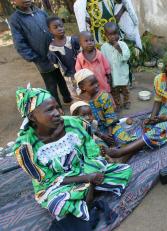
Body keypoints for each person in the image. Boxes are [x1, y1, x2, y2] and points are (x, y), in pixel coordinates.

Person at [13, 86, 132, 223]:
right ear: (32, 117)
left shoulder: (76, 124)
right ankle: (88, 190)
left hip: (84, 168)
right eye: (50, 110)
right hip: (59, 183)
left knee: (124, 171)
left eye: (58, 107)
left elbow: (92, 154)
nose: (58, 113)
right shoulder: (25, 148)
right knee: (57, 204)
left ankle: (82, 195)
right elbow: (48, 181)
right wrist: (87, 179)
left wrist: (90, 175)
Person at [104, 51, 167, 159]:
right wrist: (153, 118)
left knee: (159, 130)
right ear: (166, 68)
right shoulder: (159, 79)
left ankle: (121, 152)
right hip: (166, 108)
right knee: (147, 125)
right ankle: (129, 151)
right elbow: (158, 101)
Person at [9, 0, 72, 107]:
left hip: (56, 53)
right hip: (41, 58)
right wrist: (34, 57)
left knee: (62, 77)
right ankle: (56, 107)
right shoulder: (15, 19)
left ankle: (68, 98)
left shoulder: (40, 12)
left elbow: (52, 26)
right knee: (51, 84)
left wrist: (59, 43)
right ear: (13, 1)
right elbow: (19, 42)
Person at [75, 69, 135, 146]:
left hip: (110, 127)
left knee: (125, 141)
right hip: (95, 131)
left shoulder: (103, 97)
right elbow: (83, 123)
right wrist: (101, 136)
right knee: (100, 149)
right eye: (92, 84)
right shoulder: (81, 102)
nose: (96, 85)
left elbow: (110, 116)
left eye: (96, 82)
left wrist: (110, 135)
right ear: (82, 87)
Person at [73, 0, 142, 49]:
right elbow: (80, 13)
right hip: (97, 33)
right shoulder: (83, 2)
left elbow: (122, 2)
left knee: (118, 49)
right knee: (103, 53)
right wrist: (88, 20)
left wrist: (119, 14)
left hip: (113, 29)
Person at [47, 16, 81, 100]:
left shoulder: (73, 40)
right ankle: (80, 108)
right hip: (68, 76)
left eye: (61, 26)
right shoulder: (52, 48)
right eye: (55, 27)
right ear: (50, 30)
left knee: (85, 88)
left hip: (81, 71)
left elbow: (81, 53)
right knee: (74, 93)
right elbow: (56, 65)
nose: (59, 29)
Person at [101, 22, 131, 110]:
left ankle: (126, 101)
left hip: (122, 73)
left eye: (115, 33)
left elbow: (126, 57)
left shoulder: (123, 44)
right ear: (106, 35)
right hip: (112, 74)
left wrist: (119, 49)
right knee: (114, 91)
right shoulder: (104, 47)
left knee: (125, 89)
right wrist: (106, 74)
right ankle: (117, 104)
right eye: (110, 35)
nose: (113, 37)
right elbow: (104, 61)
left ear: (118, 33)